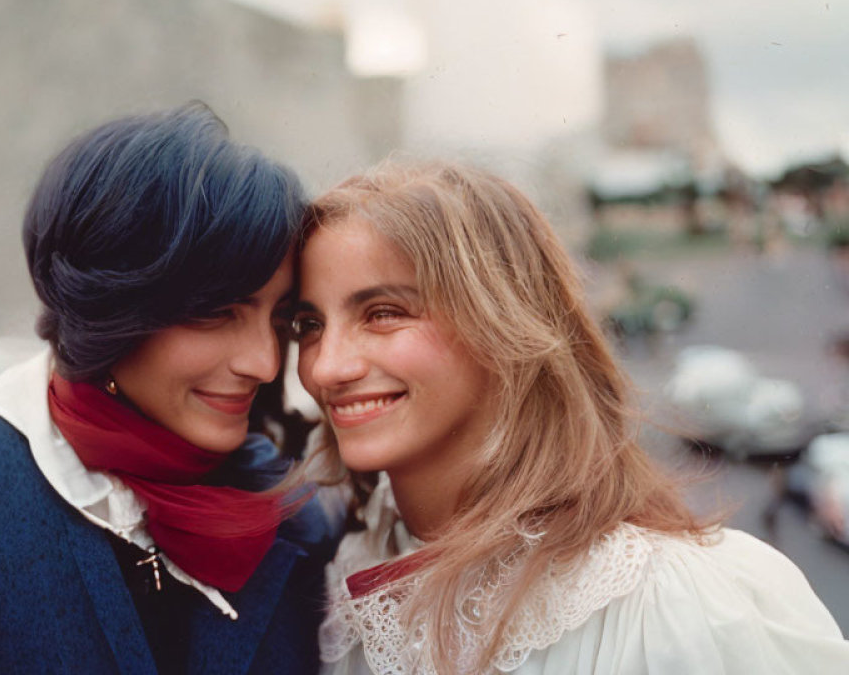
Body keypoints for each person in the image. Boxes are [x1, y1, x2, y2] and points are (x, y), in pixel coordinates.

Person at [292, 159, 849, 675]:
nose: (326, 367)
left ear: (503, 325)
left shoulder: (674, 606)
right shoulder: (339, 580)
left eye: (384, 313)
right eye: (308, 326)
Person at [0, 103, 339, 674]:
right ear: (110, 307)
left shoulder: (296, 514)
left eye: (282, 320)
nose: (264, 362)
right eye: (217, 313)